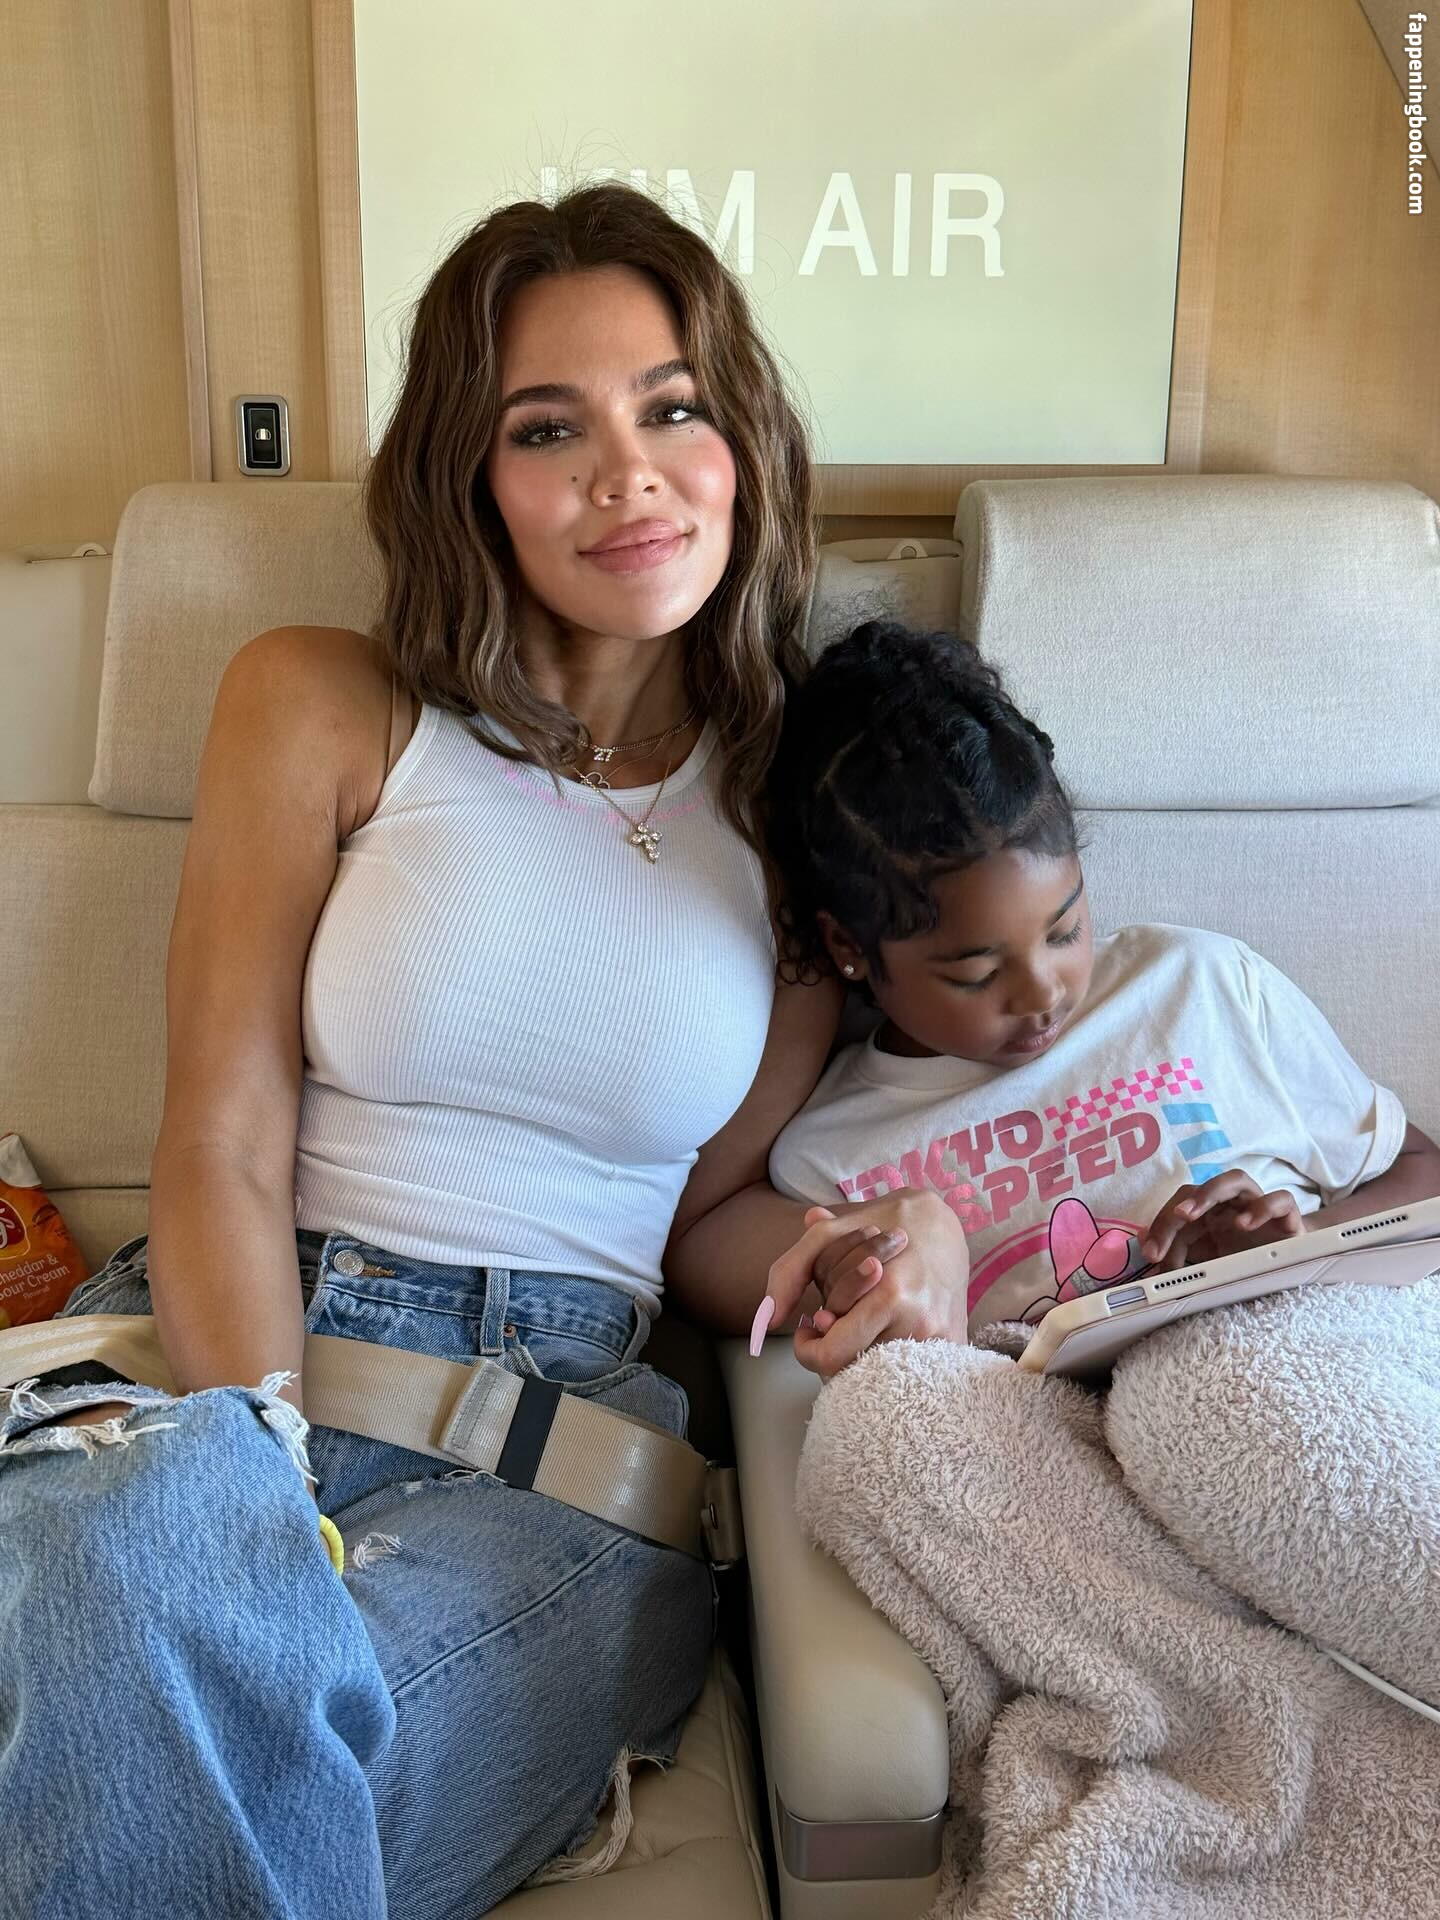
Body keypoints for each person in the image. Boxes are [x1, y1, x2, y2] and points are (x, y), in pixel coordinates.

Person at [0, 191, 968, 1920]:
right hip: (228, 1358)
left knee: (196, 1755)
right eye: (548, 429)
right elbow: (222, 1133)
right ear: (471, 477)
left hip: (562, 1457)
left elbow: (704, 1220)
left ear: (742, 441)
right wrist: (253, 1477)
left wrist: (870, 1241)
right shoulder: (322, 702)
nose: (629, 476)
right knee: (148, 1613)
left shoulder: (797, 822)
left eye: (673, 407)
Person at [756, 622, 1440, 1347]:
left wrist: (1291, 1253)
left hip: (1286, 1345)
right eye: (977, 974)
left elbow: (1421, 1174)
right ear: (849, 947)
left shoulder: (1203, 986)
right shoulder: (833, 1158)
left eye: (1064, 931)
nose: (1043, 995)